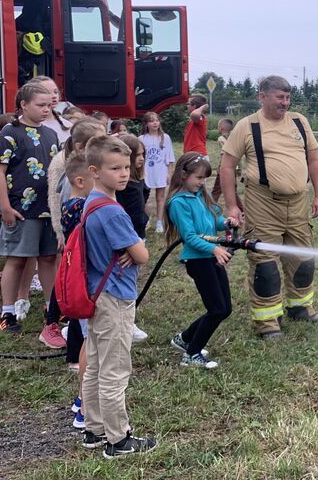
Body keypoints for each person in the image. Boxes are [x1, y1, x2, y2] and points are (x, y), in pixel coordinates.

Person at [220, 75, 318, 339]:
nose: (285, 102)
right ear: (262, 97)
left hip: (298, 203)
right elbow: (227, 166)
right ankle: (267, 322)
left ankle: (300, 307)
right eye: (280, 97)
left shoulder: (300, 122)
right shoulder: (247, 126)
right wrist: (232, 206)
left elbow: (314, 158)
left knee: (303, 260)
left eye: (288, 97)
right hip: (263, 204)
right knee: (265, 266)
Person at [79, 135, 156, 458]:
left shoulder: (90, 202)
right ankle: (118, 439)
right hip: (114, 297)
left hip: (96, 294)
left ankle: (94, 429)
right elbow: (142, 255)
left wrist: (129, 249)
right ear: (95, 171)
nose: (124, 173)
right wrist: (134, 248)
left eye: (126, 167)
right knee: (115, 369)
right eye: (115, 168)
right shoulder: (113, 212)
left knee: (96, 364)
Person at [0, 81, 60, 334]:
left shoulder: (51, 134)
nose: (46, 109)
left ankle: (51, 307)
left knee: (49, 258)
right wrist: (6, 207)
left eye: (48, 105)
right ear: (23, 104)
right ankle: (7, 312)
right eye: (40, 105)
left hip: (48, 209)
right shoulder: (11, 132)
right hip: (21, 209)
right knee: (18, 260)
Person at [164, 153, 233, 369]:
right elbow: (190, 237)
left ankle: (184, 339)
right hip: (198, 260)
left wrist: (227, 222)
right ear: (183, 175)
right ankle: (191, 354)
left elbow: (214, 221)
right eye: (199, 178)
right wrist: (214, 249)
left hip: (211, 259)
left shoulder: (201, 197)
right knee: (217, 309)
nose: (202, 183)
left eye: (204, 178)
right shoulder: (178, 202)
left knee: (225, 308)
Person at [45, 118, 107, 351]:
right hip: (73, 238)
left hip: (84, 239)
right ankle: (58, 326)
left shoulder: (93, 164)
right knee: (71, 283)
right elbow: (55, 198)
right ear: (81, 146)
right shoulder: (65, 166)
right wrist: (60, 231)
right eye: (97, 140)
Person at [59, 153, 93, 426]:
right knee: (90, 344)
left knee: (88, 340)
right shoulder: (81, 207)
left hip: (82, 281)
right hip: (85, 282)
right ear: (81, 181)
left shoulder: (73, 205)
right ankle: (84, 402)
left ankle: (83, 399)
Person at [115, 134, 149, 343]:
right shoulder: (123, 185)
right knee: (124, 282)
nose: (141, 158)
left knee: (131, 279)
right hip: (129, 239)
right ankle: (126, 323)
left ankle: (126, 320)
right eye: (137, 155)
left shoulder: (137, 179)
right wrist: (129, 246)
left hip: (138, 235)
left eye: (143, 154)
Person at [139, 112, 175, 233]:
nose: (155, 123)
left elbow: (170, 158)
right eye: (152, 121)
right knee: (143, 198)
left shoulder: (165, 138)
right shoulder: (142, 139)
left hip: (161, 171)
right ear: (146, 124)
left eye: (157, 120)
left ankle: (159, 222)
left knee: (160, 197)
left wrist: (169, 173)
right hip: (146, 172)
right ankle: (146, 219)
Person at [28, 75, 73, 144]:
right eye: (47, 92)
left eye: (55, 92)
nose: (54, 96)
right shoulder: (19, 125)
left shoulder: (68, 125)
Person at [210, 118, 234, 203]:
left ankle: (210, 206)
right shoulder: (233, 137)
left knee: (216, 189)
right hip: (234, 167)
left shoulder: (220, 138)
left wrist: (220, 167)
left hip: (224, 168)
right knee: (233, 189)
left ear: (222, 128)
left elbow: (225, 153)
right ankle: (241, 209)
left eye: (218, 126)